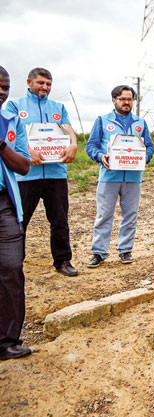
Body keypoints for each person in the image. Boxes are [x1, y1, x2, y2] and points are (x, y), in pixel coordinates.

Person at [6, 68, 79, 277]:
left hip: (56, 173)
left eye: (48, 84)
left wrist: (73, 144)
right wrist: (27, 151)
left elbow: (67, 128)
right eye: (41, 83)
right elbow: (10, 134)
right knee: (19, 221)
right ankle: (14, 263)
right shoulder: (14, 106)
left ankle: (63, 261)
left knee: (60, 220)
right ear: (29, 82)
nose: (45, 87)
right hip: (26, 175)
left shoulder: (58, 107)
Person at [85, 85, 154, 267]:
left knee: (130, 215)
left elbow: (149, 146)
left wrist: (144, 158)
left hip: (133, 177)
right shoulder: (102, 121)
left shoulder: (140, 123)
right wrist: (101, 157)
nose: (126, 102)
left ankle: (125, 250)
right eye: (123, 99)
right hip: (109, 176)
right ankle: (99, 252)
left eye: (129, 99)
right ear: (114, 100)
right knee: (104, 215)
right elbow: (91, 146)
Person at [0, 65, 32, 360]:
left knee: (11, 267)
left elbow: (23, 165)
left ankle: (7, 340)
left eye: (5, 88)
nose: (1, 92)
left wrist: (0, 144)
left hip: (4, 203)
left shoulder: (11, 121)